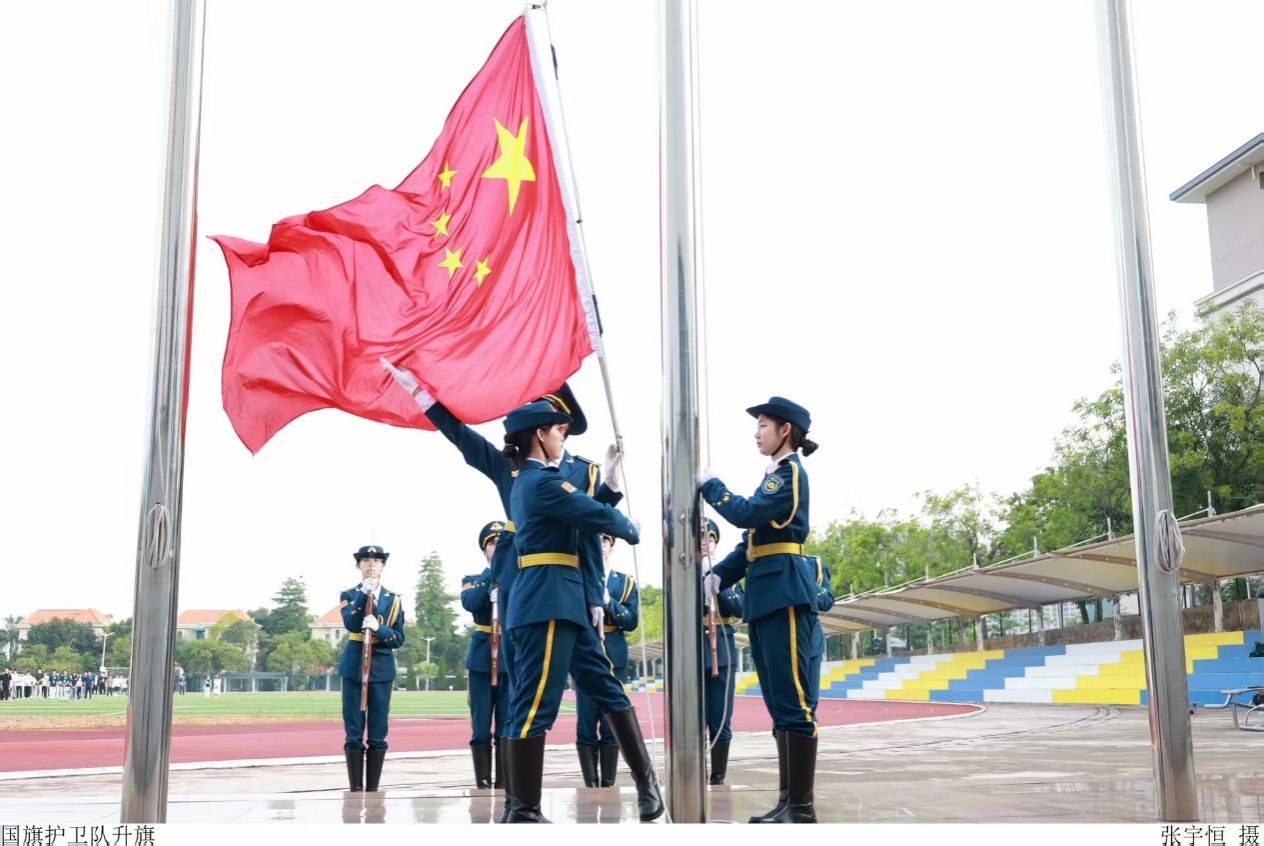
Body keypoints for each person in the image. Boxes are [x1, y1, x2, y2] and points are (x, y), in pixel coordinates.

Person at [380, 360, 623, 807]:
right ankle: (517, 798)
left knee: (561, 688)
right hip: (517, 582)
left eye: (556, 419)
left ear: (563, 426)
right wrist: (422, 396)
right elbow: (460, 435)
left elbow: (590, 534)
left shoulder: (586, 472)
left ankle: (523, 800)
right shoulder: (509, 465)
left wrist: (594, 592)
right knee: (519, 689)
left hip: (567, 584)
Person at [499, 401, 663, 823]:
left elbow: (582, 513)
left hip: (564, 600)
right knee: (536, 704)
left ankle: (647, 784)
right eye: (559, 431)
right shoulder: (541, 482)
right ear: (540, 434)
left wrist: (608, 484)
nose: (563, 439)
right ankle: (522, 810)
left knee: (607, 688)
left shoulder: (537, 481)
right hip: (548, 600)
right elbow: (591, 514)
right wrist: (630, 528)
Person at [698, 396, 822, 824]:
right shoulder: (773, 475)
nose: (757, 433)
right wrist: (719, 576)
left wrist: (711, 486)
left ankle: (801, 808)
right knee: (779, 701)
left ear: (785, 430)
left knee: (794, 702)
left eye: (763, 425)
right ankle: (788, 802)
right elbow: (751, 542)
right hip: (768, 594)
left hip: (784, 592)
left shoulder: (788, 474)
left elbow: (746, 514)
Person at [574, 532, 639, 788]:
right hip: (586, 649)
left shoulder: (625, 582)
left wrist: (610, 603)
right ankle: (591, 785)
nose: (600, 545)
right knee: (586, 720)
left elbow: (631, 621)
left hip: (613, 650)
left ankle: (608, 784)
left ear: (611, 546)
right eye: (597, 539)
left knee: (612, 720)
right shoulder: (578, 576)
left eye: (605, 541)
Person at [338, 544, 405, 793]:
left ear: (383, 566)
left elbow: (398, 638)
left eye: (376, 561)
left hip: (381, 665)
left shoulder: (394, 599)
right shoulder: (349, 594)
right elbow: (350, 623)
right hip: (355, 664)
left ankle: (373, 789)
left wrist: (380, 629)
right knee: (353, 729)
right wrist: (364, 596)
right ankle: (355, 788)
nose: (371, 565)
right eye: (366, 561)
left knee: (378, 730)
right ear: (358, 566)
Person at [460, 520, 510, 789]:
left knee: (505, 724)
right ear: (484, 550)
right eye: (492, 543)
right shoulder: (472, 580)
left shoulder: (517, 577)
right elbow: (470, 602)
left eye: (501, 543)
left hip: (508, 657)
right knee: (480, 725)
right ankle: (482, 782)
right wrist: (492, 575)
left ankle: (503, 782)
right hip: (481, 658)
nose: (497, 547)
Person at [700, 518, 744, 786]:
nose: (705, 543)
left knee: (720, 718)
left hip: (723, 649)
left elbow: (739, 608)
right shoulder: (683, 576)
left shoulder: (730, 573)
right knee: (694, 719)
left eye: (710, 539)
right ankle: (693, 774)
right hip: (694, 648)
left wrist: (716, 579)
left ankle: (717, 777)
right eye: (700, 538)